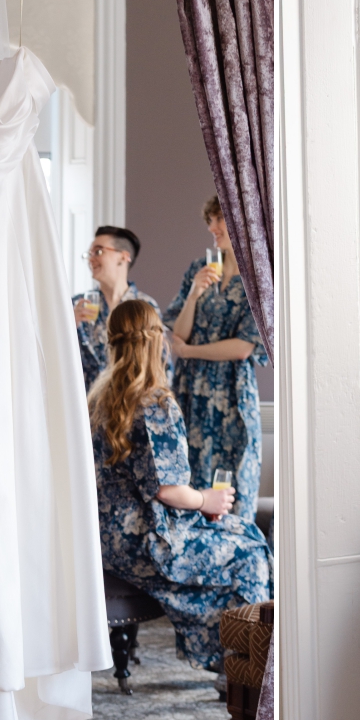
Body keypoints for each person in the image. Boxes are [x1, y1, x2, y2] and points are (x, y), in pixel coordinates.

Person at [90, 299, 270, 671]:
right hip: (149, 543)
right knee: (250, 549)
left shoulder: (98, 400)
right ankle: (247, 670)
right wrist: (207, 499)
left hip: (109, 542)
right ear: (157, 341)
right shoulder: (155, 403)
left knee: (239, 533)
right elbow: (167, 490)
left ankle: (230, 657)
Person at [164, 197, 267, 519]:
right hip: (190, 390)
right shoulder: (199, 269)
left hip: (232, 394)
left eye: (219, 219)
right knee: (190, 476)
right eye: (210, 220)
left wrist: (189, 352)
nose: (212, 228)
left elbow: (242, 348)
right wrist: (194, 294)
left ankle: (237, 557)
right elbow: (178, 331)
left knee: (234, 479)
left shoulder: (259, 278)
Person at [70, 226, 169, 389]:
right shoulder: (77, 305)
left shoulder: (146, 306)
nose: (91, 259)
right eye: (89, 254)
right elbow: (54, 354)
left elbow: (161, 364)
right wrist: (70, 324)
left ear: (123, 257)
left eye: (99, 252)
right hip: (85, 405)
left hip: (130, 402)